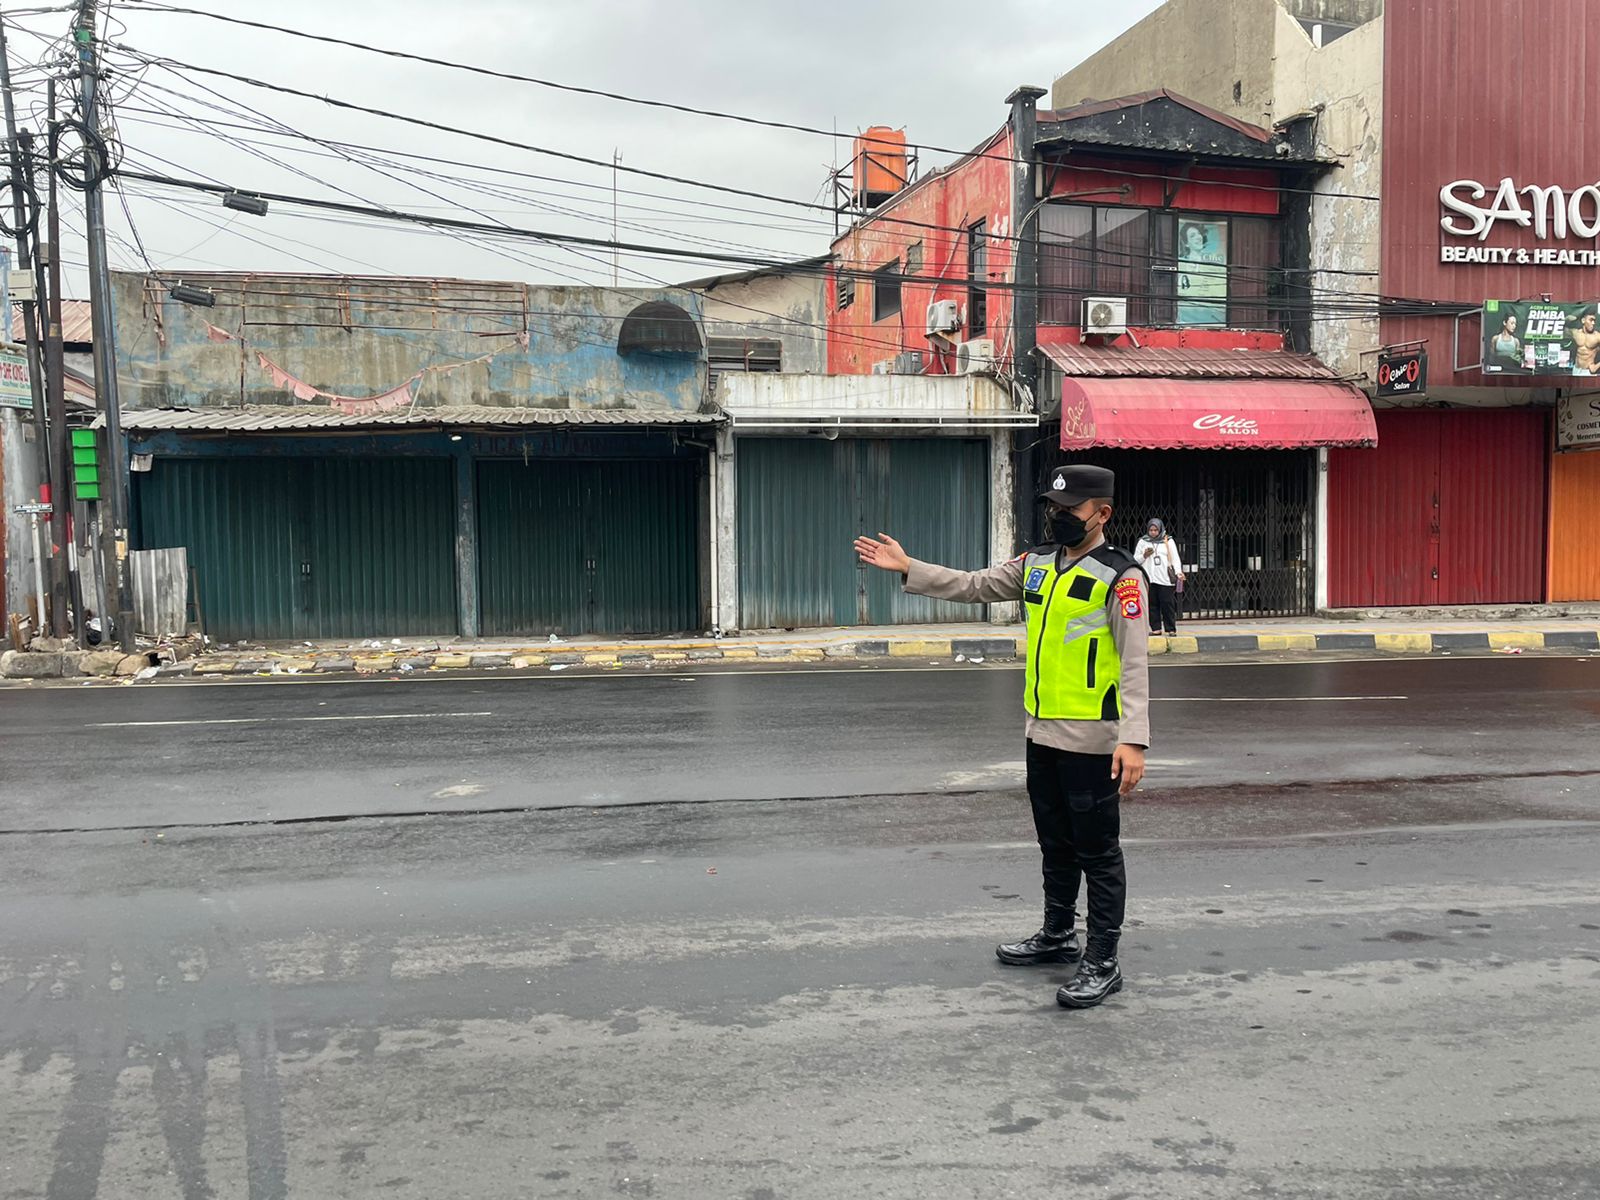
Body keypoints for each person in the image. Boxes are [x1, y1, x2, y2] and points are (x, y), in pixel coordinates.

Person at [853, 464, 1150, 1010]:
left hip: (1092, 739)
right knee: (1054, 842)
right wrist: (910, 566)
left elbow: (1134, 662)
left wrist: (1133, 739)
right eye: (1053, 508)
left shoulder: (1120, 576)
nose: (1058, 517)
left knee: (1098, 851)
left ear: (1102, 513)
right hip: (1041, 731)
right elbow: (976, 585)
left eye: (1071, 510)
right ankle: (1058, 934)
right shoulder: (1037, 564)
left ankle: (1103, 961)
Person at [1135, 518, 1184, 636]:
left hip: (1164, 579)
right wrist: (1144, 555)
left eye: (1155, 530)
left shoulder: (1168, 541)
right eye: (1151, 530)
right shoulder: (1143, 541)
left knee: (1167, 604)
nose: (1153, 532)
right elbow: (1135, 560)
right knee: (1152, 604)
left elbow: (1175, 558)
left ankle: (1171, 629)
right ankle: (1156, 628)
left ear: (1160, 529)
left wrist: (1178, 572)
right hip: (1149, 578)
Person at [1571, 312, 1600, 376]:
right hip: (1576, 369)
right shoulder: (1576, 333)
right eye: (1591, 320)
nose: (1593, 323)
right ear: (1583, 320)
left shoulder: (1597, 336)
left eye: (1594, 320)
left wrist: (1596, 367)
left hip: (1588, 372)